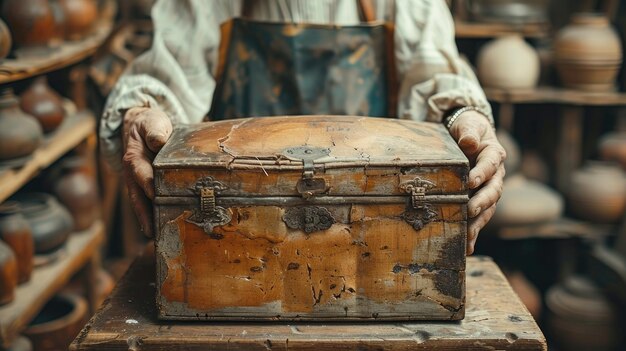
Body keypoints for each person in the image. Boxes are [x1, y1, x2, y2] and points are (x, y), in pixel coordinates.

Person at [101, 0, 506, 255]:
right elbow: (167, 75)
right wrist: (141, 115)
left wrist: (463, 118)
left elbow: (436, 80)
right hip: (235, 237)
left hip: (375, 241)